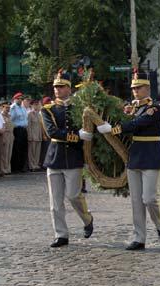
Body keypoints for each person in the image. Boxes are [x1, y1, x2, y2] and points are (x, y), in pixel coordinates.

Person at [101, 70, 160, 251]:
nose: (135, 91)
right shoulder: (132, 108)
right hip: (135, 155)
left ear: (147, 88)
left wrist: (113, 129)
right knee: (137, 201)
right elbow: (128, 121)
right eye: (133, 88)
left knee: (149, 198)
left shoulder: (153, 108)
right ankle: (139, 237)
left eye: (139, 88)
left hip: (151, 155)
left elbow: (137, 124)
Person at [41, 70, 94, 247]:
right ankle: (61, 234)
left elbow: (87, 125)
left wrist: (87, 134)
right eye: (55, 87)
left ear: (69, 89)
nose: (57, 89)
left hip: (73, 157)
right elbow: (52, 132)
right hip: (55, 157)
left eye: (61, 86)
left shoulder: (79, 108)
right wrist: (77, 135)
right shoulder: (48, 109)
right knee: (55, 201)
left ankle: (87, 219)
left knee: (73, 195)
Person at [10, 92, 28, 172]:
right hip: (17, 130)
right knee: (16, 149)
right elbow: (11, 119)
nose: (20, 100)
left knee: (23, 148)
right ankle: (15, 167)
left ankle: (21, 167)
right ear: (15, 99)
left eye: (21, 99)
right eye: (19, 99)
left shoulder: (23, 108)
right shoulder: (13, 107)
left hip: (24, 130)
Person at [0, 101, 14, 176]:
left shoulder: (9, 116)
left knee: (9, 153)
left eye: (9, 107)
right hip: (5, 135)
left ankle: (8, 168)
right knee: (4, 153)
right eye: (6, 107)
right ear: (2, 107)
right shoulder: (1, 115)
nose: (8, 109)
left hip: (10, 135)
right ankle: (3, 169)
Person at [27, 100, 43, 171]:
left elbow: (40, 126)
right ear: (31, 105)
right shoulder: (29, 114)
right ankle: (32, 166)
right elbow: (28, 126)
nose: (36, 106)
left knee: (37, 152)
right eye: (35, 105)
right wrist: (29, 135)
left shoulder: (39, 115)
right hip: (32, 135)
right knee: (32, 152)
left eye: (37, 104)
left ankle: (36, 165)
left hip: (38, 135)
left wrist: (41, 135)